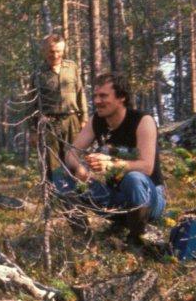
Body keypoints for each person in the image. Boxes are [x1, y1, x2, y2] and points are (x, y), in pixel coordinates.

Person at [56, 72, 166, 245]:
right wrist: (80, 169)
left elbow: (147, 167)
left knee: (134, 179)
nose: (97, 101)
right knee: (61, 177)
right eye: (95, 96)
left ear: (121, 97)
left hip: (149, 199)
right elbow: (71, 153)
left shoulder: (143, 121)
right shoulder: (96, 121)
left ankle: (137, 238)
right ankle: (85, 239)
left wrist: (111, 164)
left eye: (103, 96)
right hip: (115, 199)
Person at [30, 34, 87, 179]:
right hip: (49, 123)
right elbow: (32, 103)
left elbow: (80, 92)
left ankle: (76, 198)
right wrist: (33, 130)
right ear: (44, 51)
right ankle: (56, 198)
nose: (55, 55)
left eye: (59, 51)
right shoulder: (38, 73)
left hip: (72, 121)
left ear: (63, 50)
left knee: (74, 161)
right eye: (51, 51)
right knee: (52, 163)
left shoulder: (72, 67)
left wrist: (84, 118)